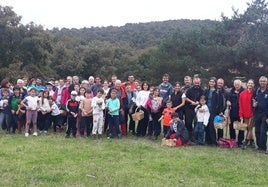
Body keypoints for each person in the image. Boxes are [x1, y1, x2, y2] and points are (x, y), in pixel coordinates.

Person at [185, 77, 204, 142]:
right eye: (195, 83)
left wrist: (198, 102)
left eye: (198, 83)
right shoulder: (189, 90)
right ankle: (188, 137)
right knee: (188, 122)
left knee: (197, 123)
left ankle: (195, 138)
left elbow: (203, 98)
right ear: (193, 82)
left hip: (198, 109)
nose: (197, 84)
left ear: (200, 82)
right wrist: (191, 102)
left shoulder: (202, 90)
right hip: (189, 108)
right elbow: (186, 97)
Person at [252, 76, 268, 153]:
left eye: (264, 81)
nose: (262, 82)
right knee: (257, 130)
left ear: (266, 82)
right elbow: (253, 100)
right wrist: (253, 104)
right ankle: (258, 147)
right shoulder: (257, 91)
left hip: (265, 114)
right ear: (259, 82)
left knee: (263, 131)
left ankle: (263, 148)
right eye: (261, 81)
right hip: (257, 113)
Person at [227, 79, 244, 147]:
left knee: (241, 127)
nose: (237, 86)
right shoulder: (231, 92)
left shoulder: (243, 91)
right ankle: (233, 140)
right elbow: (228, 100)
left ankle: (240, 141)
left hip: (241, 112)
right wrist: (228, 102)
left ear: (240, 85)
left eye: (238, 84)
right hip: (232, 112)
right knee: (231, 127)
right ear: (234, 85)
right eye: (235, 84)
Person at [239, 79, 255, 149]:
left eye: (251, 83)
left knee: (250, 128)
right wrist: (241, 115)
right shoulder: (242, 94)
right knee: (248, 129)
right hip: (245, 114)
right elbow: (240, 105)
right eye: (249, 83)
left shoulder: (255, 93)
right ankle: (252, 141)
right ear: (247, 84)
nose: (250, 84)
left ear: (253, 85)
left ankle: (245, 142)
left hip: (252, 114)